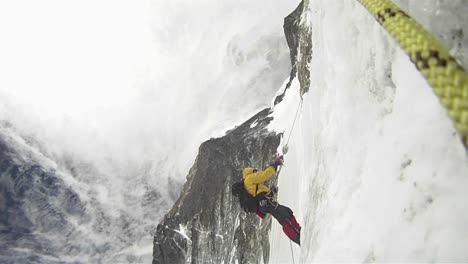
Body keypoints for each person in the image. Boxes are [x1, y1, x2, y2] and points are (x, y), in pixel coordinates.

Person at [242, 156, 301, 245]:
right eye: (255, 171)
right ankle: (297, 238)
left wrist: (271, 192)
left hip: (264, 203)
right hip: (266, 202)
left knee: (287, 212)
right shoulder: (249, 178)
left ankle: (299, 231)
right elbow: (264, 175)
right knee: (284, 217)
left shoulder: (249, 185)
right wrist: (274, 165)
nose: (256, 172)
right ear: (251, 171)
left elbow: (259, 193)